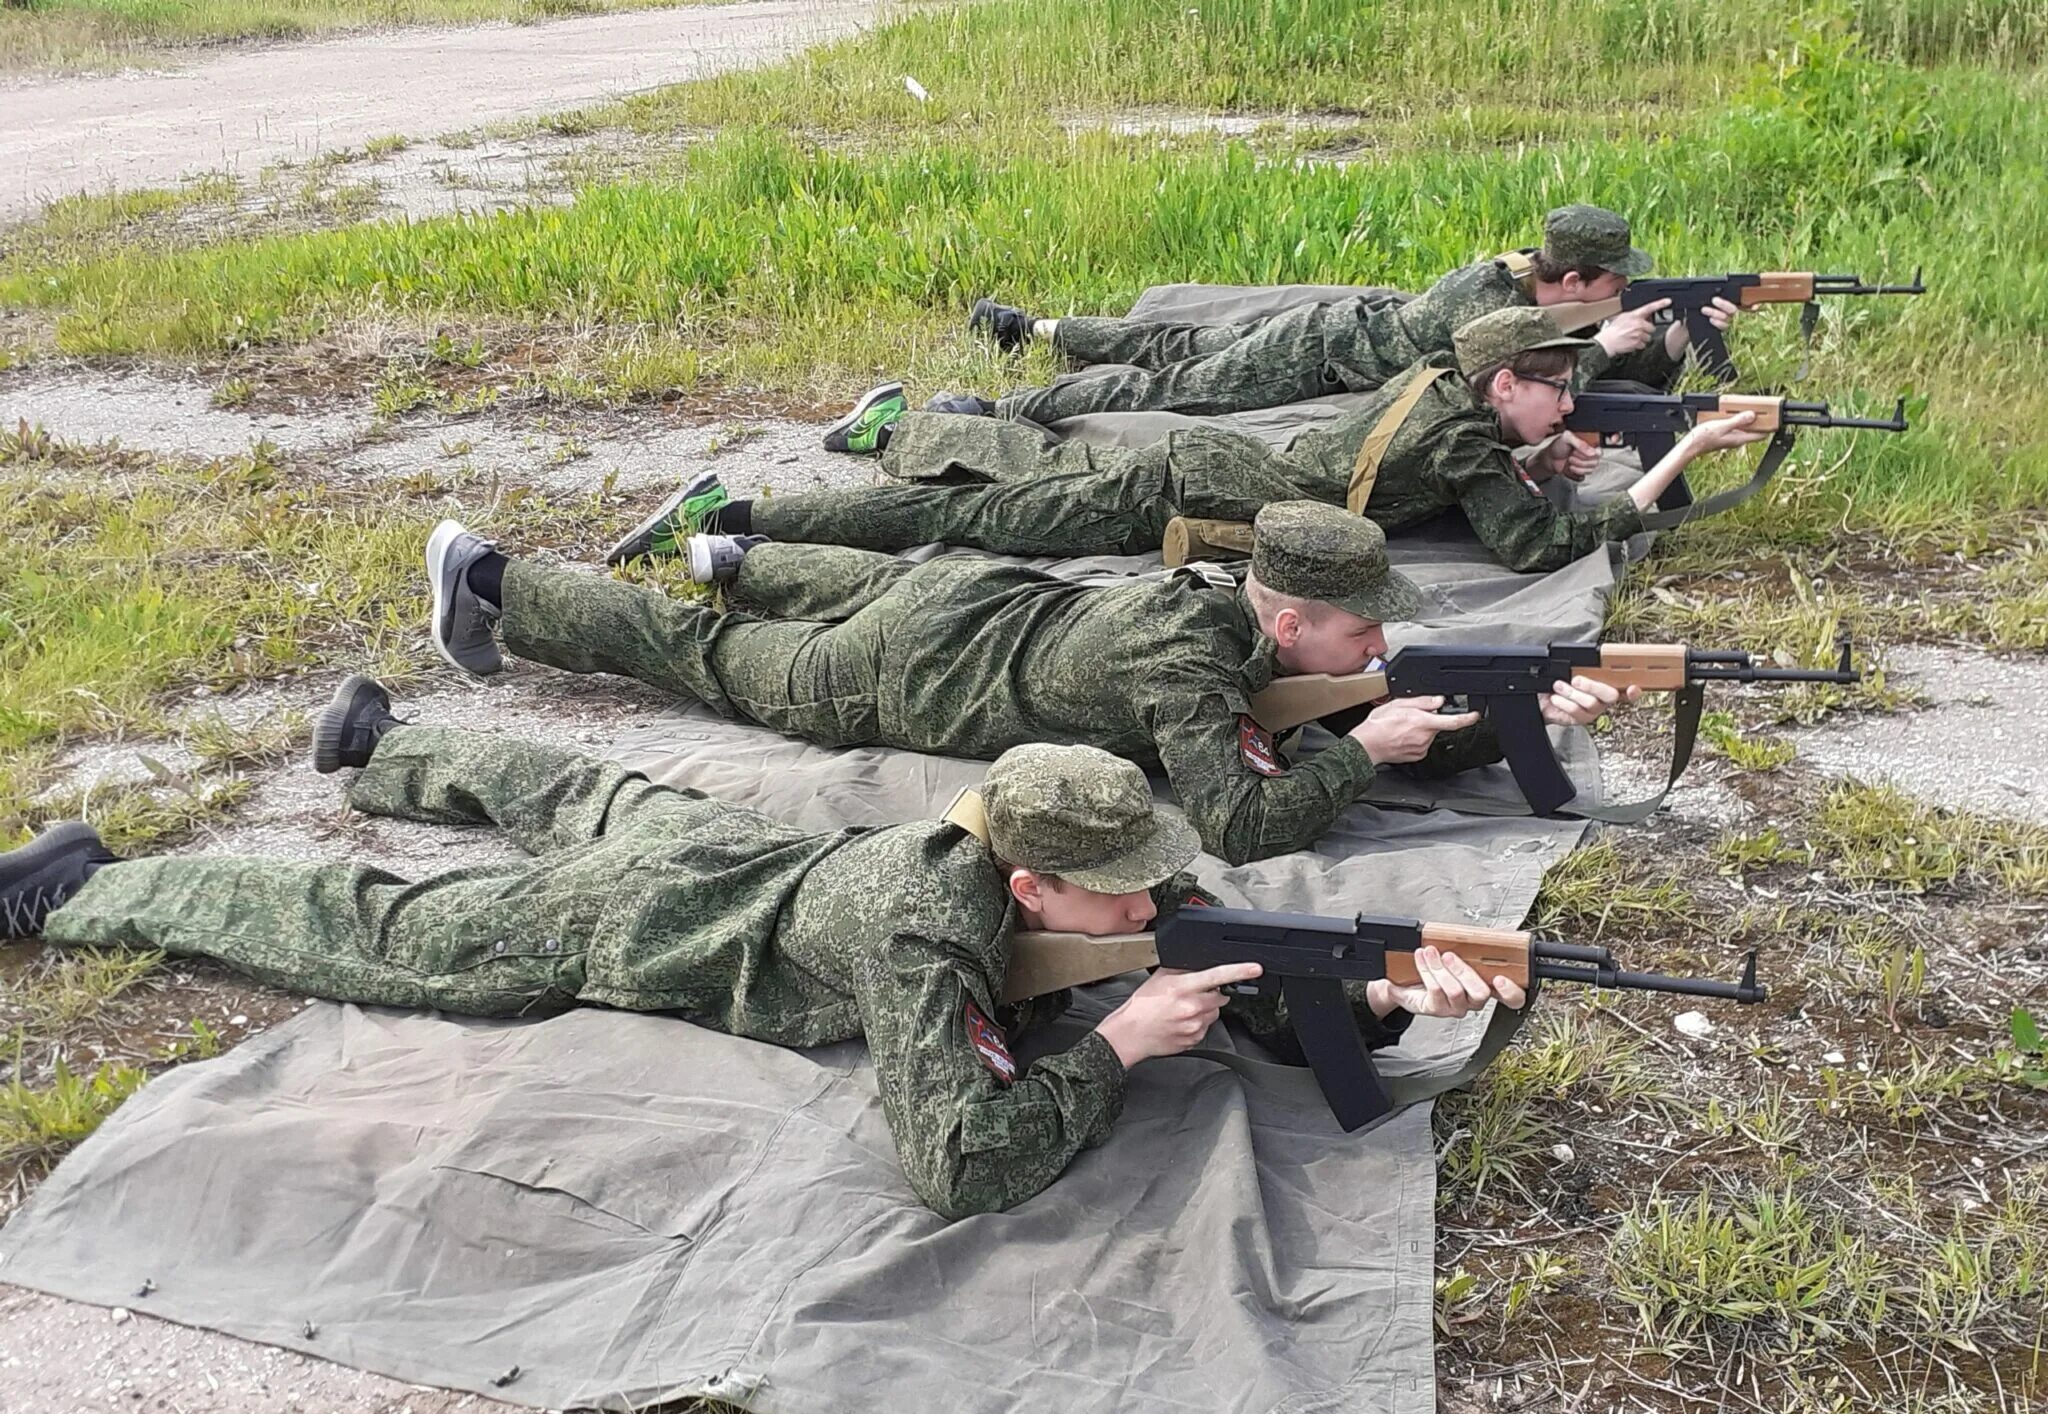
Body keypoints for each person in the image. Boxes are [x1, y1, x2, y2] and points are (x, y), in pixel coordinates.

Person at [2, 729, 1526, 1219]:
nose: (1161, 901)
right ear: (1026, 883)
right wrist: (1117, 1046)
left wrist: (1385, 996)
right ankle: (94, 886)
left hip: (752, 855)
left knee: (593, 789)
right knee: (385, 930)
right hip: (660, 929)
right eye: (1122, 898)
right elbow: (957, 1163)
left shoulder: (1114, 860)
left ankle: (392, 742)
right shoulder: (926, 936)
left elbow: (1246, 974)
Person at [429, 501, 1628, 865]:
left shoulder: (1238, 621)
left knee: (834, 584)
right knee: (692, 659)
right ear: (1295, 617)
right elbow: (1241, 820)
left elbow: (1367, 716)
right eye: (1363, 630)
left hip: (967, 595)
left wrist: (1499, 716)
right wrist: (1362, 756)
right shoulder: (1189, 660)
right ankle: (493, 582)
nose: (1376, 652)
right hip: (898, 674)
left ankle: (747, 559)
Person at [611, 309, 1772, 576]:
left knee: (1008, 482)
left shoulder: (1439, 391)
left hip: (1192, 473)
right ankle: (736, 517)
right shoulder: (1471, 444)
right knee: (959, 522)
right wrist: (1674, 467)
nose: (1570, 411)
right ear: (1502, 382)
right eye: (1554, 395)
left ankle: (904, 428)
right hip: (1179, 500)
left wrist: (1525, 458)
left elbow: (1459, 471)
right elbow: (1530, 551)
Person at [958, 203, 1738, 425]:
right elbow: (1491, 382)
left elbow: (1620, 355)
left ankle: (1035, 329)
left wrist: (1673, 336)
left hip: (1345, 324)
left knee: (1180, 338)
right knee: (1169, 385)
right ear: (1571, 279)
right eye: (1609, 283)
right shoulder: (1487, 305)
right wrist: (1602, 347)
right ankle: (996, 405)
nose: (1617, 293)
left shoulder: (1544, 294)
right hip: (1319, 350)